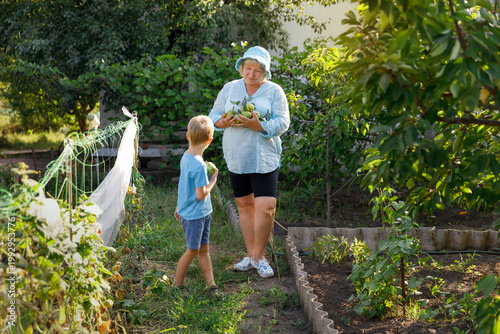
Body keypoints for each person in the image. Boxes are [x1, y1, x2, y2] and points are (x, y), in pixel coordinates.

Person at [208, 46, 290, 278]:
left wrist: (259, 126)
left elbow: (283, 122)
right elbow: (213, 116)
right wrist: (223, 122)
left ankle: (260, 257)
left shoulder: (274, 91)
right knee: (244, 206)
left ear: (265, 73)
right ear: (241, 67)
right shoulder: (229, 88)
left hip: (264, 156)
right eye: (248, 68)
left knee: (266, 207)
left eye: (257, 70)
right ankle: (251, 255)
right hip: (237, 155)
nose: (251, 74)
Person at [174, 115, 221, 296]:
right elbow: (201, 194)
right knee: (193, 251)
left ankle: (211, 285)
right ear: (209, 140)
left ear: (188, 136)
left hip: (196, 212)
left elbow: (183, 186)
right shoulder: (200, 167)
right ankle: (178, 284)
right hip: (195, 215)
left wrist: (179, 206)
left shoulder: (186, 157)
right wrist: (212, 180)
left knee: (204, 250)